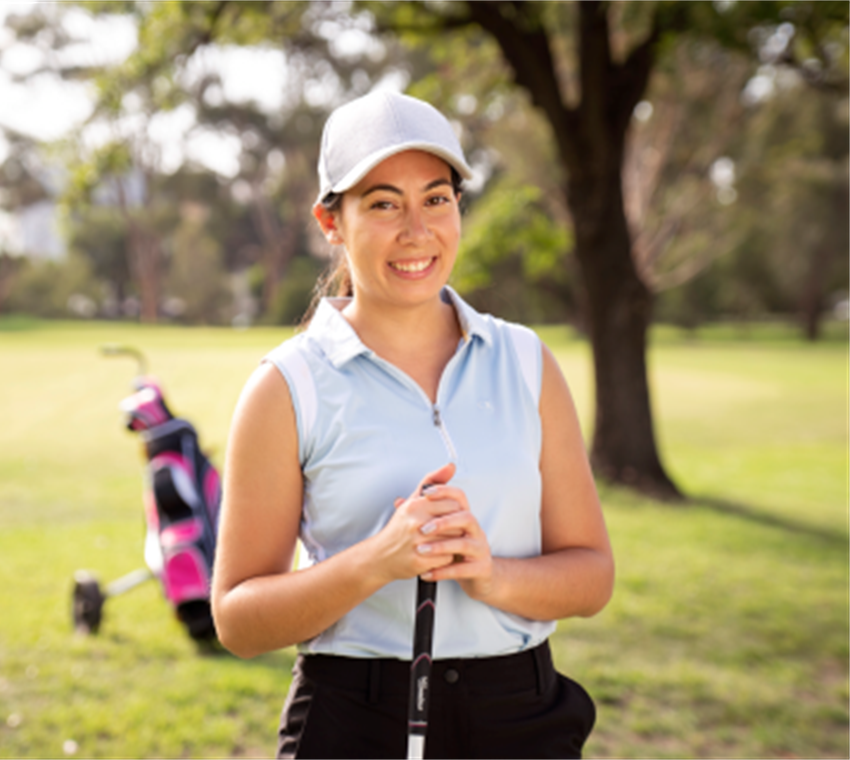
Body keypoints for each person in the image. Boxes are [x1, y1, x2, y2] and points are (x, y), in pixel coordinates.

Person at [213, 89, 614, 759]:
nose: (416, 230)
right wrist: (377, 560)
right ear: (330, 222)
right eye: (382, 204)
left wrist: (492, 576)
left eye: (436, 198)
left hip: (521, 716)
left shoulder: (525, 362)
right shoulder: (286, 386)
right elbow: (238, 621)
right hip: (352, 720)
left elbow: (592, 575)